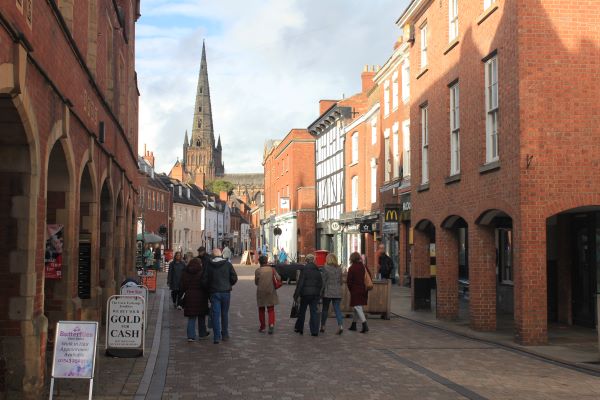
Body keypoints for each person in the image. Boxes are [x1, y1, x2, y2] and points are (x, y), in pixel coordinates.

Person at [203, 248, 238, 344]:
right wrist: (228, 284)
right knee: (224, 314)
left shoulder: (208, 265)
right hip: (226, 292)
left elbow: (204, 280)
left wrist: (209, 288)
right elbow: (234, 277)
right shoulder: (227, 264)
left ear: (213, 256)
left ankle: (217, 337)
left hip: (214, 292)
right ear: (221, 255)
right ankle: (225, 334)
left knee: (215, 314)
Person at [180, 257, 210, 342]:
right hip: (201, 297)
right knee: (201, 316)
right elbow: (205, 284)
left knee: (191, 317)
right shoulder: (202, 272)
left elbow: (183, 286)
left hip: (189, 296)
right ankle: (202, 333)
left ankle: (190, 336)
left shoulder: (185, 272)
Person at [293, 254, 323, 336]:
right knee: (314, 312)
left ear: (306, 260)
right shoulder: (317, 271)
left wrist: (296, 295)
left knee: (302, 311)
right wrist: (319, 293)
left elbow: (300, 283)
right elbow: (321, 284)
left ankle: (300, 329)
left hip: (305, 294)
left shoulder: (304, 270)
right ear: (314, 260)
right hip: (315, 295)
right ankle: (314, 331)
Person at [255, 255, 280, 334]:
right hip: (270, 291)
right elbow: (279, 278)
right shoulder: (272, 269)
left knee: (261, 309)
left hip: (261, 291)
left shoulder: (258, 270)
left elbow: (256, 282)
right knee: (271, 309)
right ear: (267, 261)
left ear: (260, 262)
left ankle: (262, 327)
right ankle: (271, 324)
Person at [320, 254, 344, 335]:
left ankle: (323, 326)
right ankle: (340, 326)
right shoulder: (339, 269)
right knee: (337, 309)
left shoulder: (325, 268)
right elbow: (341, 281)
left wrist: (321, 291)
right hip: (337, 291)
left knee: (325, 309)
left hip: (327, 291)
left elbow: (323, 281)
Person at [347, 252, 369, 333]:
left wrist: (351, 289)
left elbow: (349, 281)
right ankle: (353, 324)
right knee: (357, 307)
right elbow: (369, 276)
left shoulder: (352, 268)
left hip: (355, 290)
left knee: (357, 307)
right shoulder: (364, 266)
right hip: (364, 290)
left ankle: (364, 324)